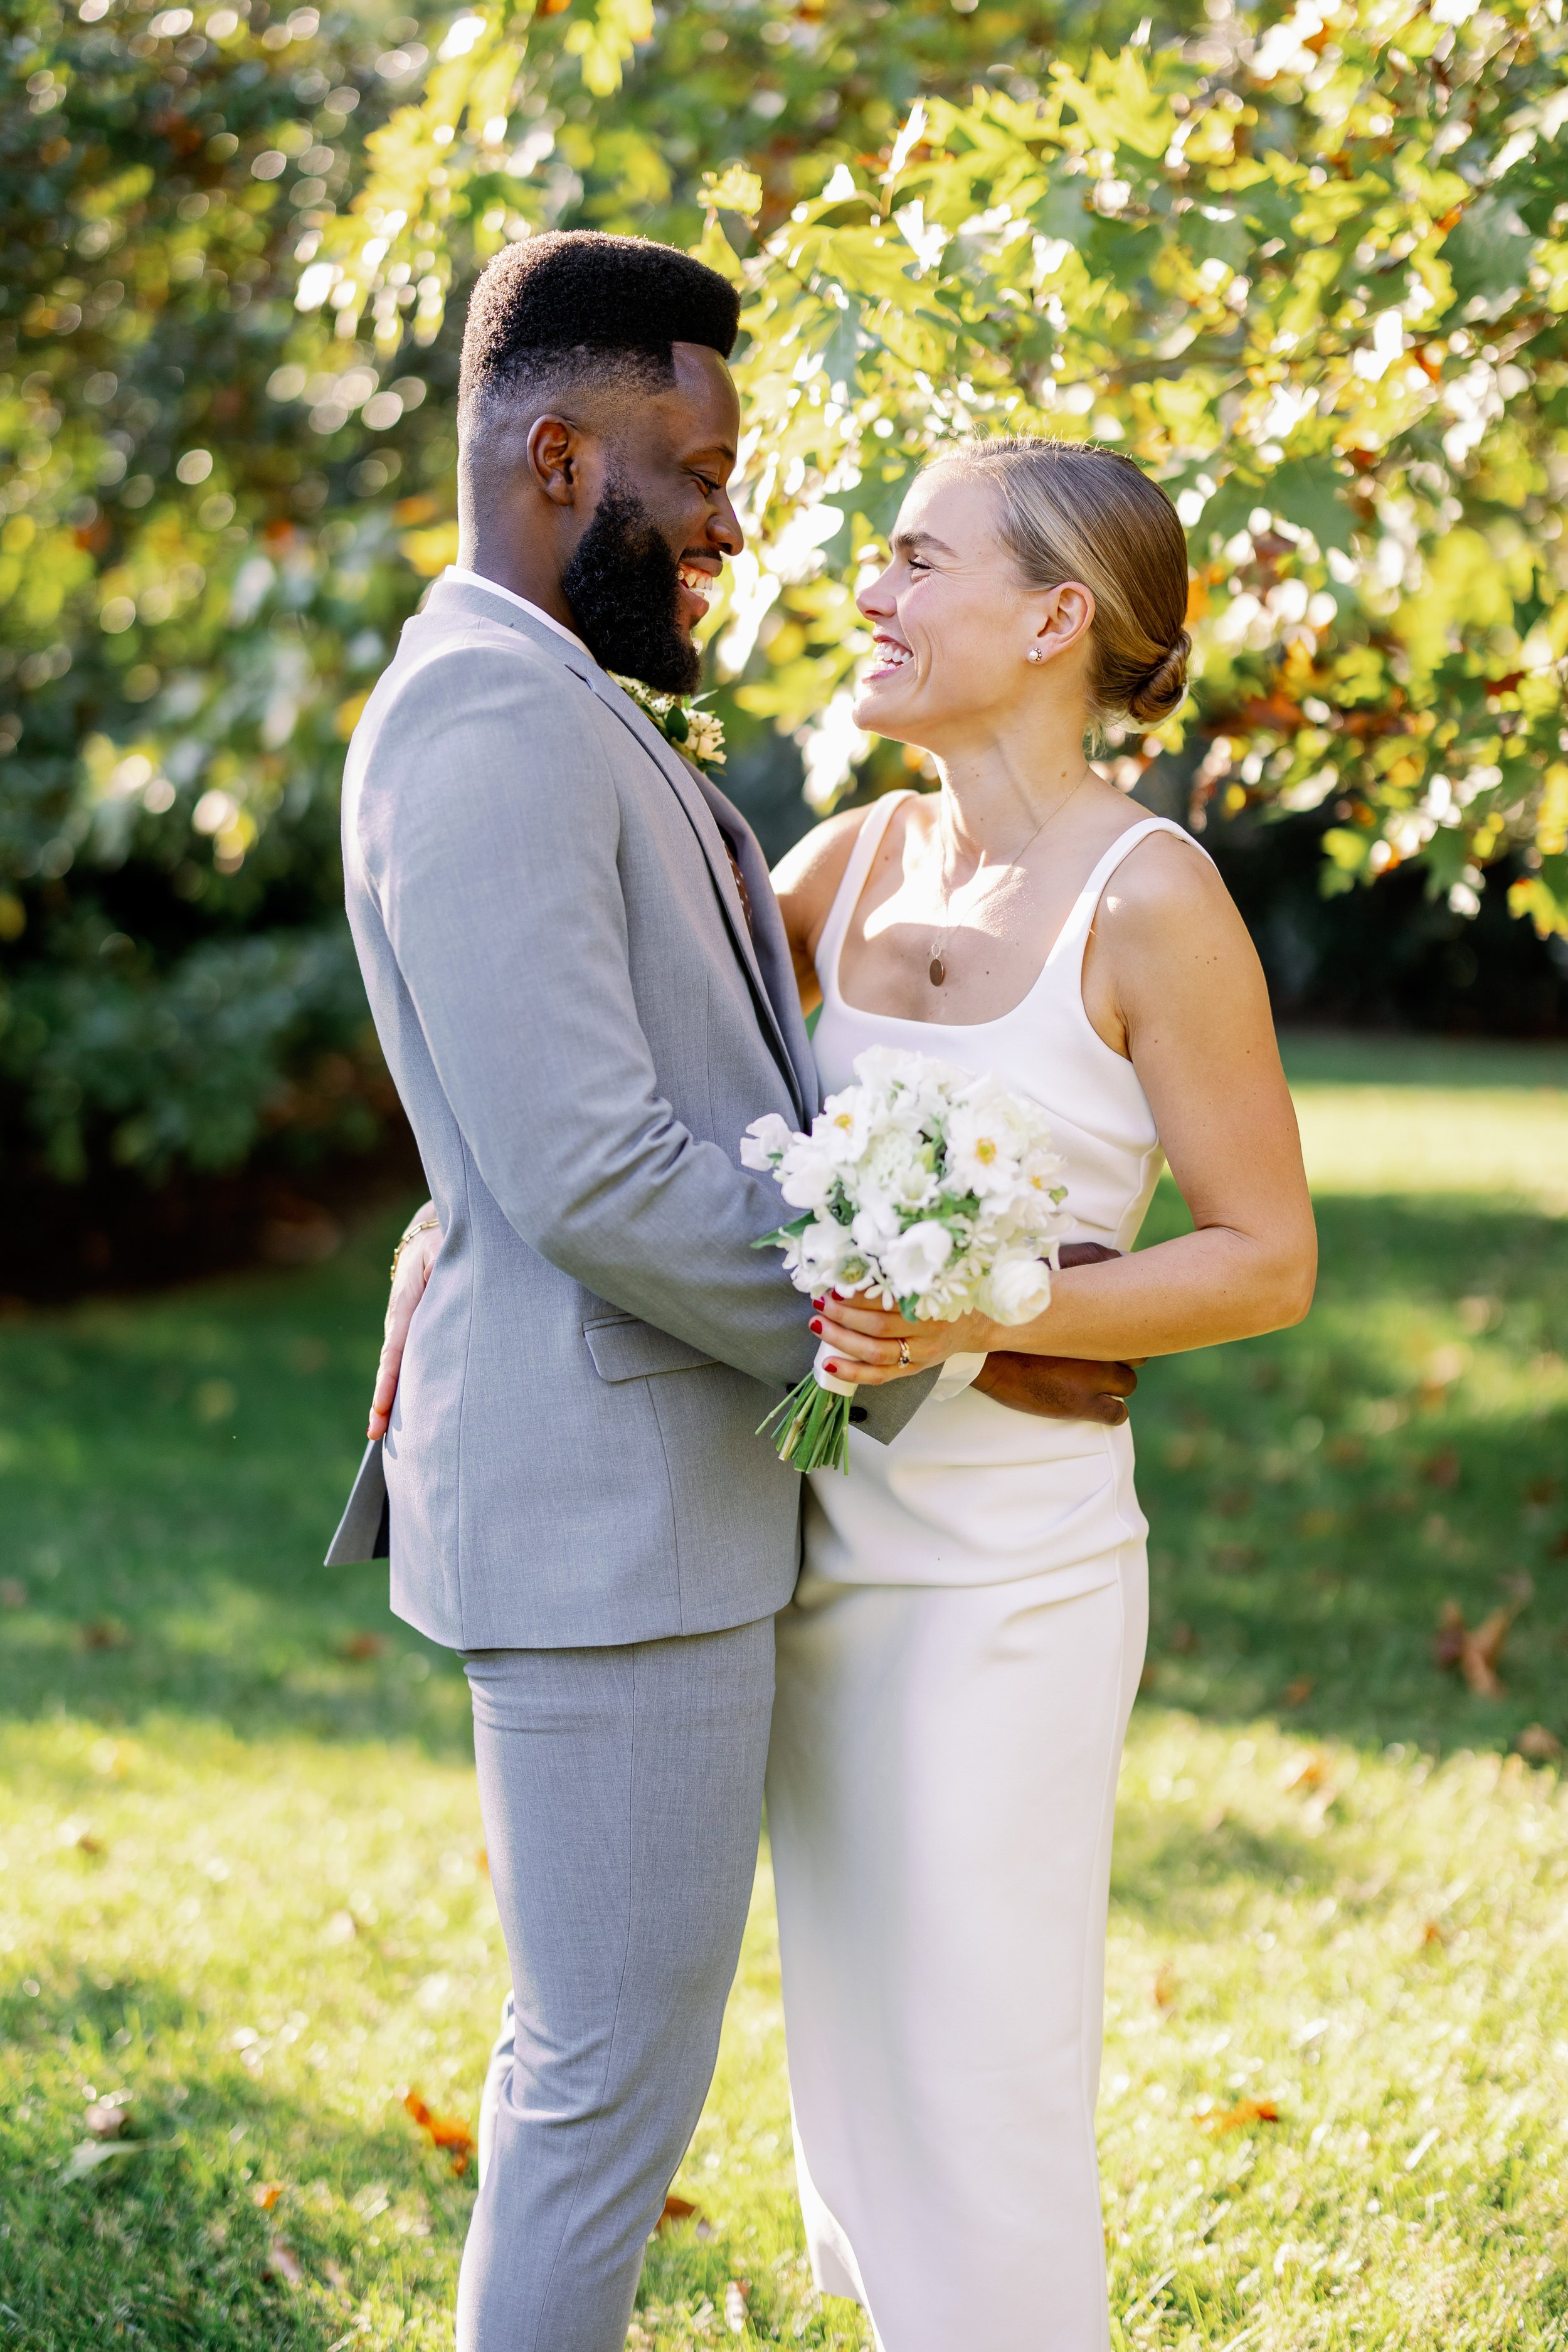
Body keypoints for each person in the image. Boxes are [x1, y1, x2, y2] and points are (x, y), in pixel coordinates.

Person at [326, 230, 1130, 2352]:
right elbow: (587, 1166)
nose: (730, 521)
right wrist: (883, 1330)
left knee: (613, 2078)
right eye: (695, 471)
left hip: (663, 1506)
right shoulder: (485, 727)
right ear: (562, 458)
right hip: (607, 1522)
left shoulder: (565, 713)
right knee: (600, 2090)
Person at [760, 440, 1317, 2349]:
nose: (873, 593)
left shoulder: (1149, 900)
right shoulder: (835, 868)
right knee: (848, 2077)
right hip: (807, 1560)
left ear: (1055, 617)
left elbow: (1264, 1255)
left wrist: (980, 1311)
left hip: (1013, 1583)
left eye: (918, 561)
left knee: (979, 2080)